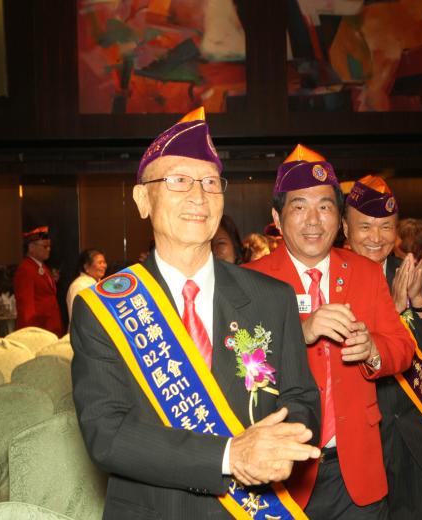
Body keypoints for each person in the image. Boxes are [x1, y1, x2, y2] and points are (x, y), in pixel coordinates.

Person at [70, 108, 321, 519]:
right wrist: (228, 455)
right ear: (142, 200)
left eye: (210, 182)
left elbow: (301, 397)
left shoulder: (272, 298)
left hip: (252, 506)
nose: (198, 196)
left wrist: (281, 445)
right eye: (178, 181)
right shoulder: (104, 308)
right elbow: (107, 432)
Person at [246, 145, 415, 519]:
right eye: (299, 207)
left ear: (339, 219)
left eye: (325, 207)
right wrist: (300, 333)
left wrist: (372, 350)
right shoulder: (250, 281)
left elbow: (402, 348)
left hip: (355, 471)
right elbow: (237, 368)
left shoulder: (366, 273)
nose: (313, 220)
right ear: (277, 217)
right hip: (281, 473)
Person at [342, 175, 422, 519]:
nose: (377, 238)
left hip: (411, 437)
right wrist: (391, 310)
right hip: (359, 437)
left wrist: (418, 301)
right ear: (345, 228)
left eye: (386, 227)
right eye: (365, 227)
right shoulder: (333, 277)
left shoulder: (411, 272)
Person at [13, 226, 63, 336]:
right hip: (39, 330)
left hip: (50, 327)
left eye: (49, 246)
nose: (48, 249)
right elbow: (26, 307)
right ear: (31, 247)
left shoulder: (41, 266)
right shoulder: (26, 269)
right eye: (45, 246)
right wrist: (30, 333)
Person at [66, 249, 107, 320]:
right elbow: (77, 316)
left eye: (104, 262)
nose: (104, 266)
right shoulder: (78, 285)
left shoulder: (101, 284)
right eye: (100, 263)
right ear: (87, 267)